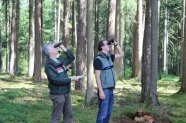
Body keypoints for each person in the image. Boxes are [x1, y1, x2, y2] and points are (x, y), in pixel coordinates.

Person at [43, 42, 83, 123]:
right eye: (53, 47)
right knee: (56, 117)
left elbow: (71, 57)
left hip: (66, 92)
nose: (56, 47)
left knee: (68, 116)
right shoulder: (49, 65)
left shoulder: (60, 60)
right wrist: (71, 79)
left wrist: (62, 47)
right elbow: (55, 80)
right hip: (58, 93)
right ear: (49, 52)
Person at [93, 39, 124, 123]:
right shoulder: (98, 60)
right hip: (104, 90)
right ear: (102, 47)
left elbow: (122, 54)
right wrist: (101, 91)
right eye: (107, 44)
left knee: (108, 113)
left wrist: (116, 44)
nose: (109, 45)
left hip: (110, 90)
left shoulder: (109, 56)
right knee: (102, 114)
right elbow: (97, 77)